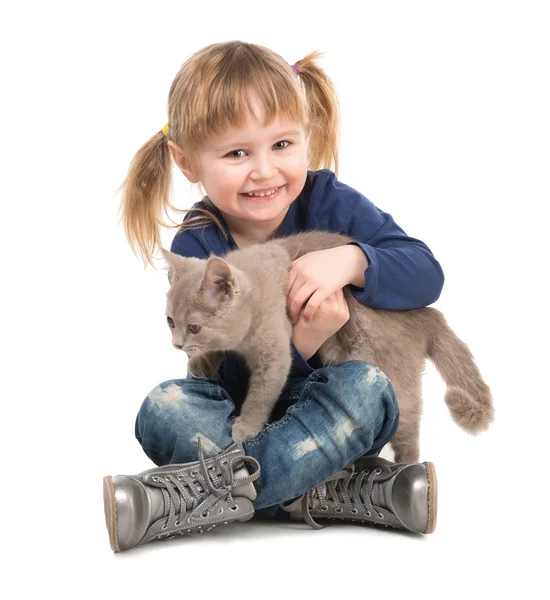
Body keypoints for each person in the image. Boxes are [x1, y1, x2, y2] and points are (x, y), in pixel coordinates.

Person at [103, 41, 444, 552]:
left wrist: (352, 259)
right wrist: (301, 341)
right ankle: (324, 489)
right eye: (237, 153)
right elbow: (225, 379)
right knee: (165, 408)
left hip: (330, 409)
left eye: (282, 145)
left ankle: (194, 496)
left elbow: (425, 273)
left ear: (304, 136)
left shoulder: (329, 200)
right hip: (247, 417)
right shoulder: (199, 246)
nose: (264, 170)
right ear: (187, 161)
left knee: (368, 388)